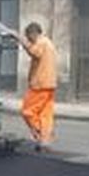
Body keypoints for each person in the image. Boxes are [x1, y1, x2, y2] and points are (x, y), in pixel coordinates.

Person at [16, 22, 58, 150]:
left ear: (33, 34)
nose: (29, 40)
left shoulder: (41, 43)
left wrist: (21, 41)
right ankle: (45, 140)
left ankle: (43, 135)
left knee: (27, 111)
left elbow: (35, 52)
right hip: (50, 84)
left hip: (40, 84)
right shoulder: (49, 43)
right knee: (45, 114)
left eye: (29, 37)